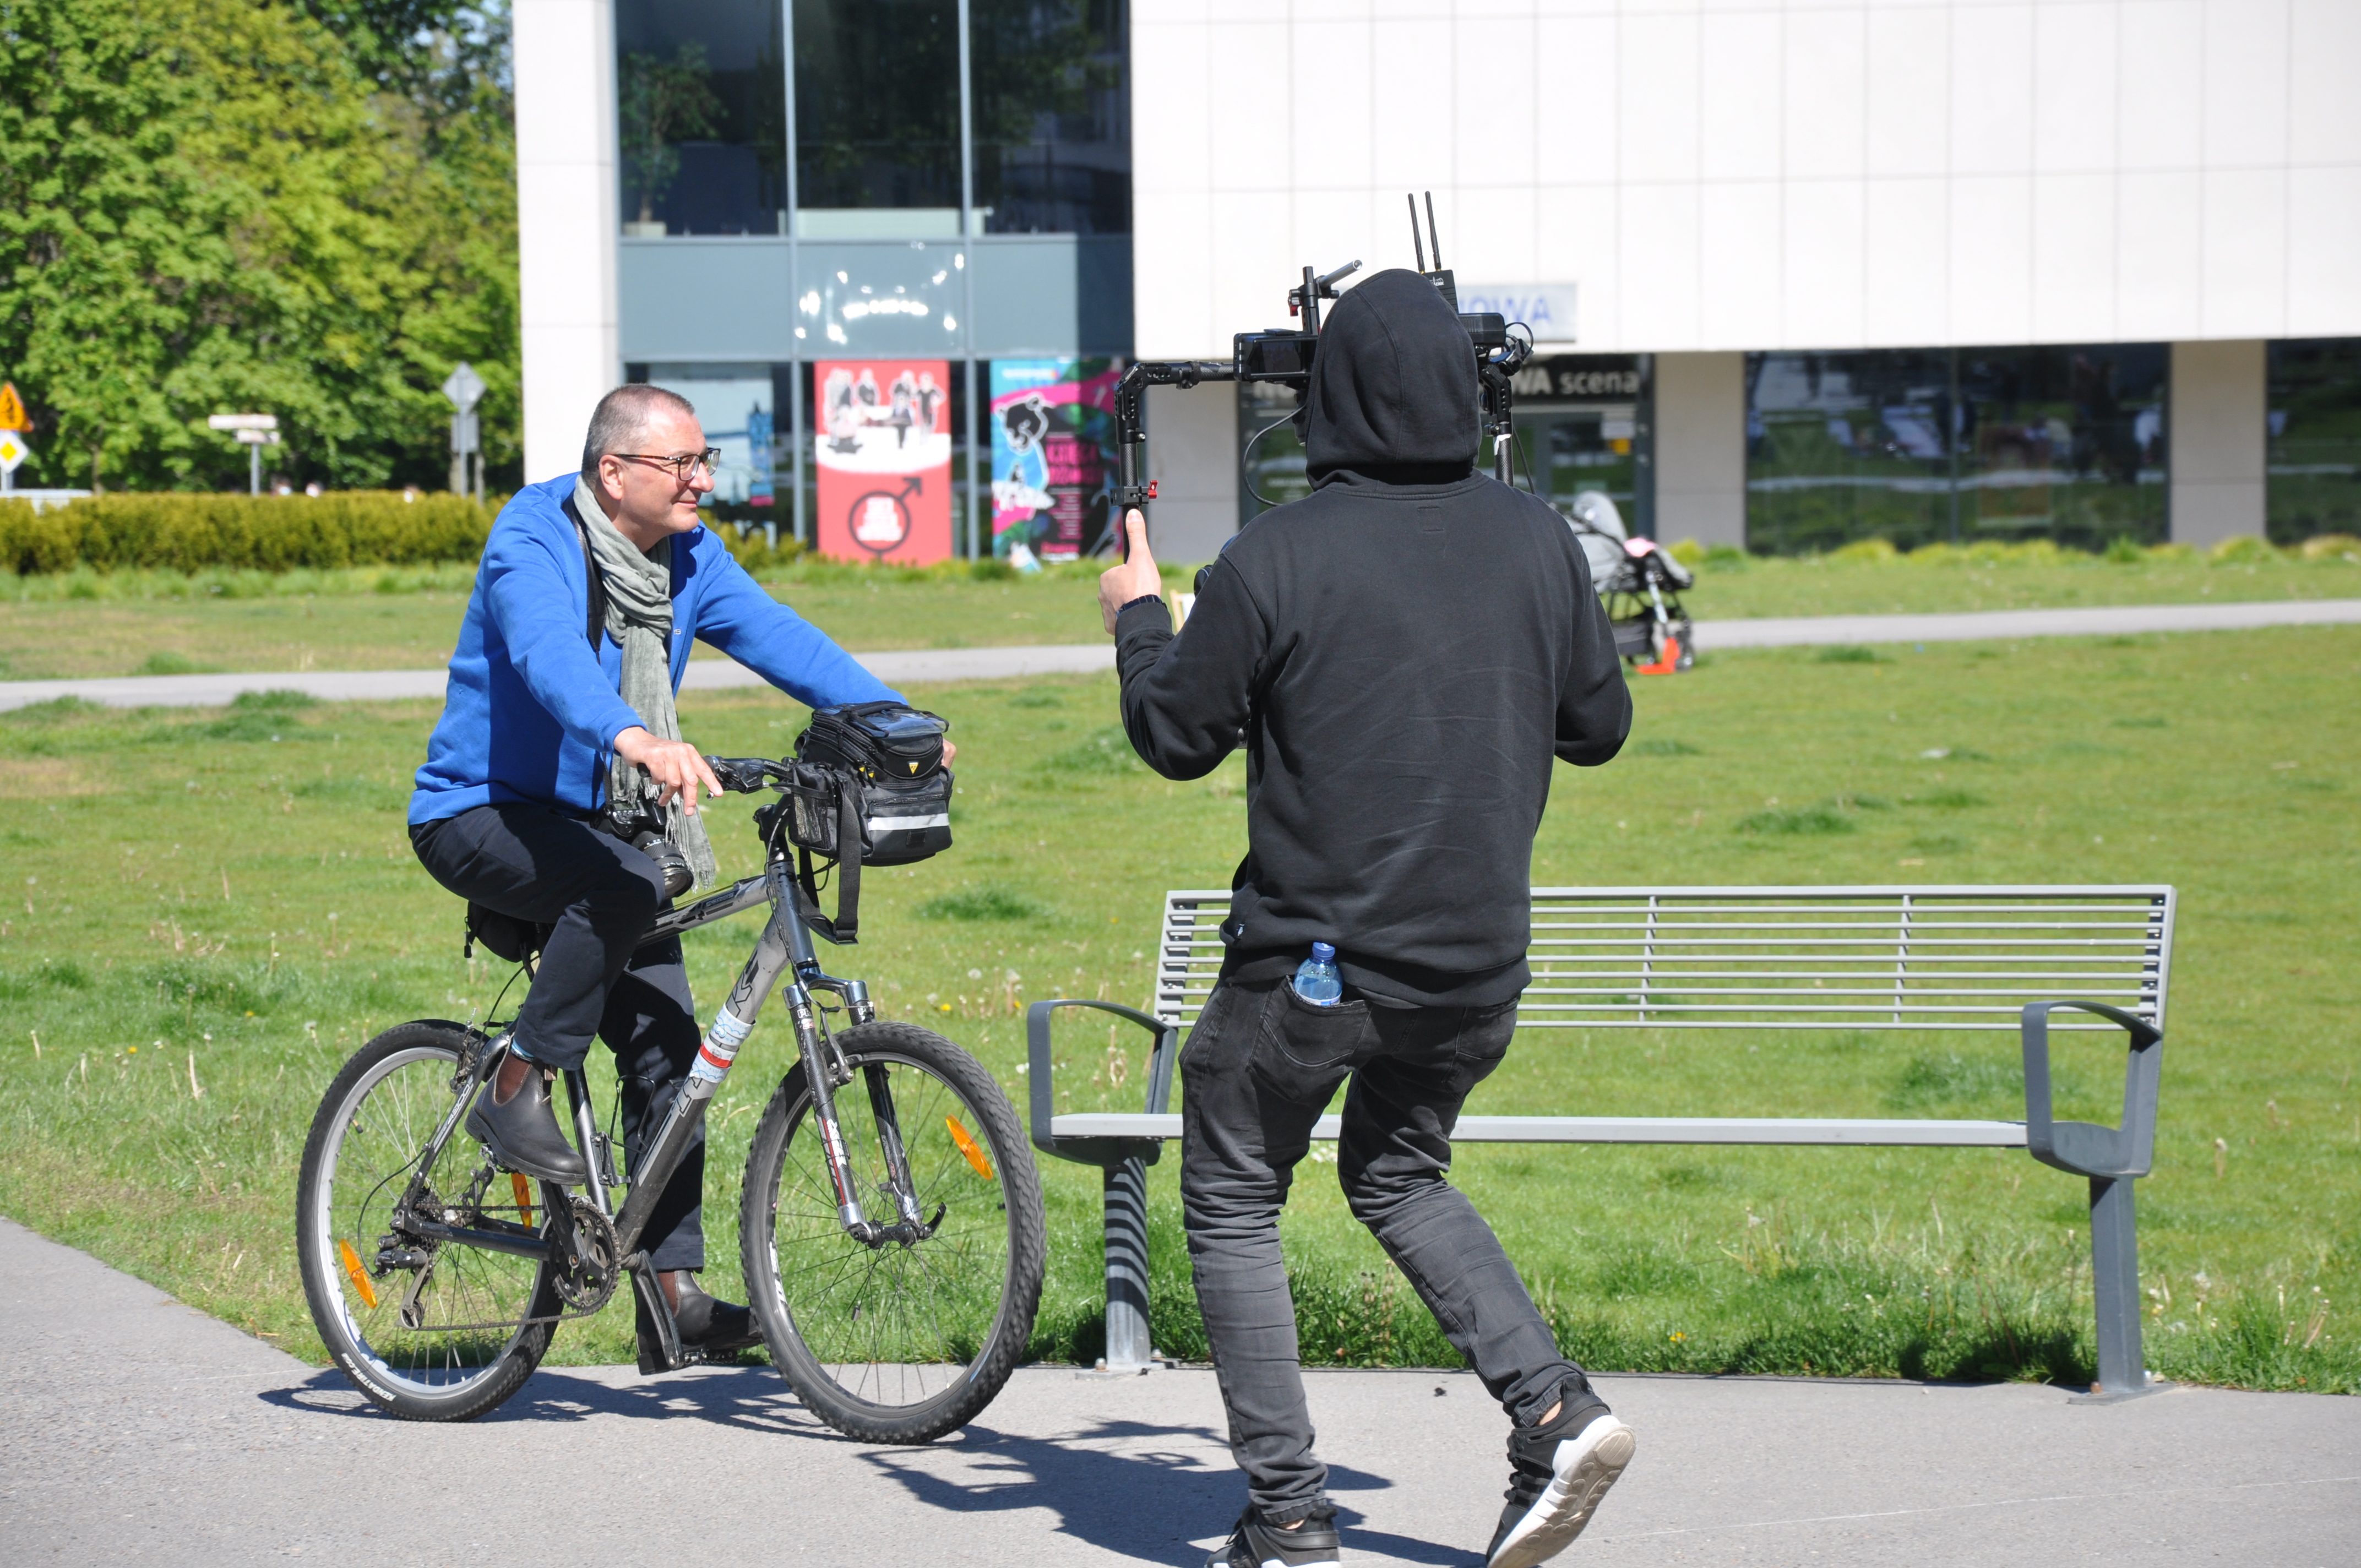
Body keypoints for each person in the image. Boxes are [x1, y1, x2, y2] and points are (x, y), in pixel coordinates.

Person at [1096, 269, 1634, 1568]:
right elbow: (1599, 725)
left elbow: (1173, 733)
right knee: (1395, 1170)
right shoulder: (1536, 539)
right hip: (1474, 967)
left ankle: (1287, 1516)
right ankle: (1553, 1410)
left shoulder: (1275, 555)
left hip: (1311, 971)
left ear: (1325, 397)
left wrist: (1138, 617)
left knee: (1231, 1193)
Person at [407, 384, 938, 1355]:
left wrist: (897, 725)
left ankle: (671, 1297)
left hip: (605, 827)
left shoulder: (686, 557)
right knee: (623, 886)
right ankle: (515, 1086)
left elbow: (782, 638)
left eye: (704, 461)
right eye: (680, 463)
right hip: (481, 812)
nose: (701, 479)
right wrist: (634, 737)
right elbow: (548, 655)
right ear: (613, 473)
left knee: (670, 1044)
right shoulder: (533, 536)